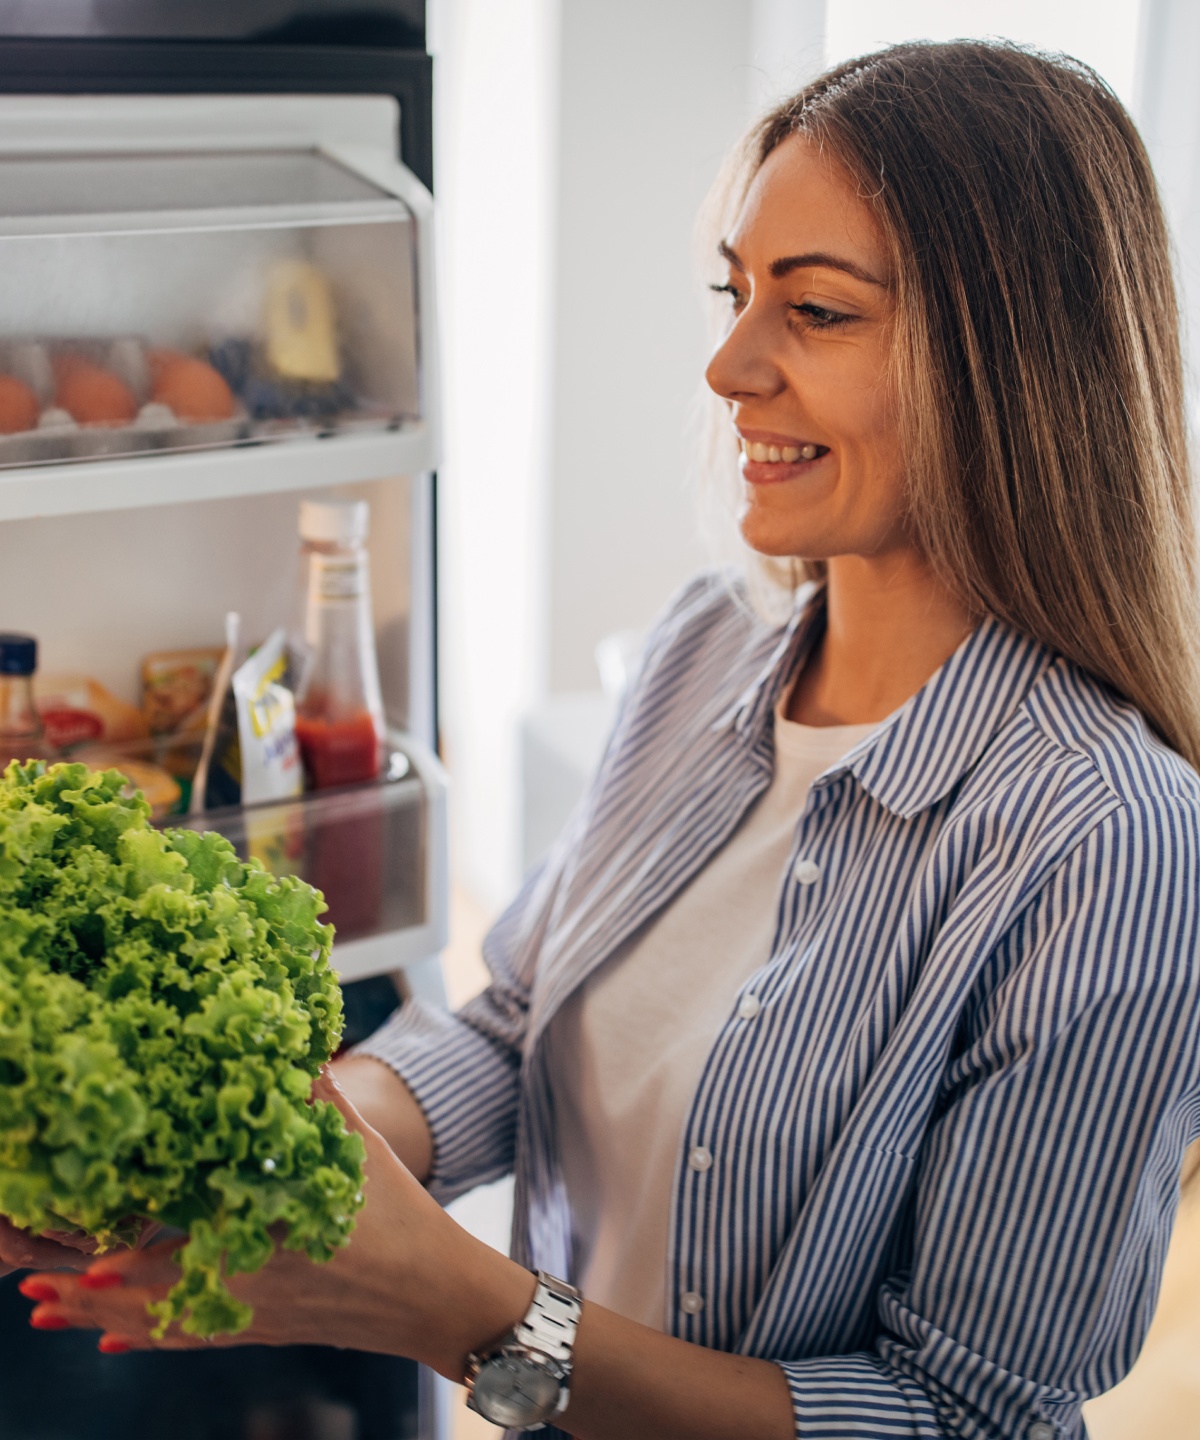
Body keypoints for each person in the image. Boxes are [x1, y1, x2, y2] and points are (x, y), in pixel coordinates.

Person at [13, 39, 1200, 1440]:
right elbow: (517, 1024)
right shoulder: (708, 646)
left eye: (817, 311)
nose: (729, 365)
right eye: (736, 293)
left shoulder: (1110, 840)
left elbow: (962, 1415)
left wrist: (457, 1308)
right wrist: (270, 1160)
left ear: (1014, 363)